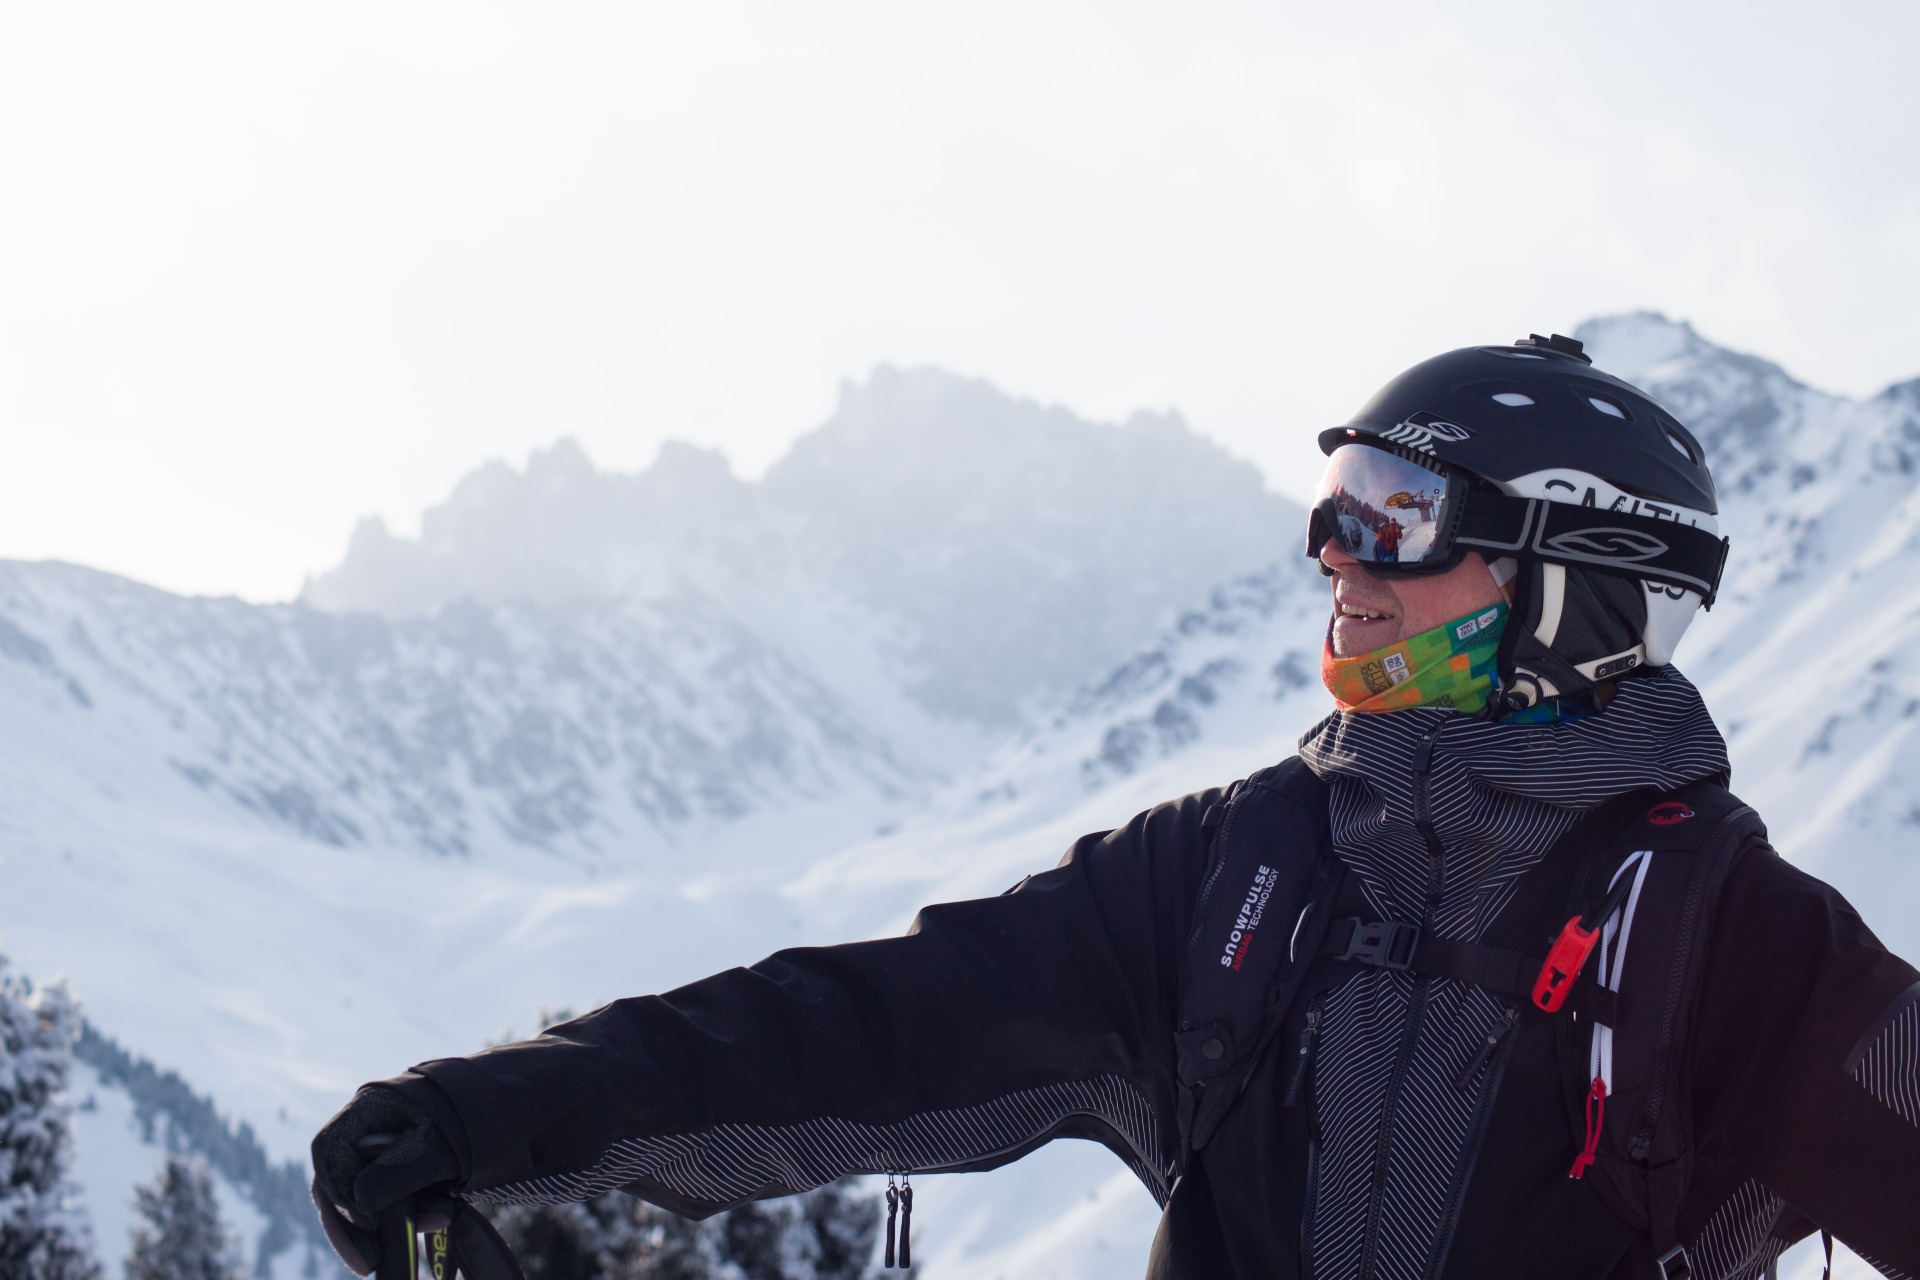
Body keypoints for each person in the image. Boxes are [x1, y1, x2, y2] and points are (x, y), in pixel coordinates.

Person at [311, 333, 1920, 1279]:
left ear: (1575, 581)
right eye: (1338, 504)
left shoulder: (1737, 943)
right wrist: (494, 1114)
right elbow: (868, 1028)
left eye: (1396, 515)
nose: (1335, 553)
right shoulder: (1242, 871)